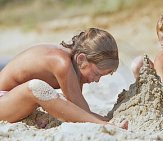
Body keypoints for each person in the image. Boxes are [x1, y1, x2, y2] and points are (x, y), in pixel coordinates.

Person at [0, 28, 128, 129]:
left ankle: (103, 122)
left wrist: (102, 117)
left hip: (12, 100)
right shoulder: (61, 63)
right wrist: (104, 121)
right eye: (96, 73)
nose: (97, 80)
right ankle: (104, 125)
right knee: (37, 87)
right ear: (81, 59)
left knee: (57, 99)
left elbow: (78, 108)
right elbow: (81, 110)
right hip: (3, 99)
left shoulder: (74, 63)